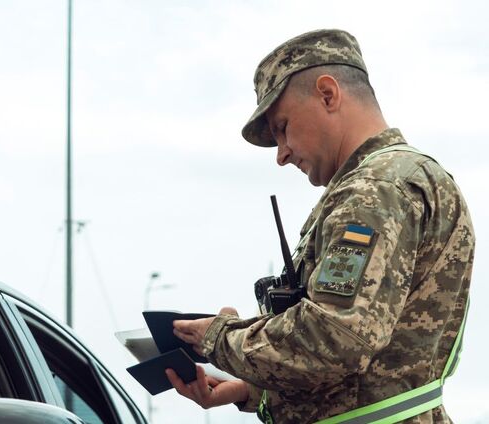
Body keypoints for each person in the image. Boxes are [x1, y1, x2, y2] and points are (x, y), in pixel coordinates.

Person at [166, 29, 475, 423]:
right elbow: (371, 362)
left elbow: (333, 338)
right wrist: (251, 388)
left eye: (282, 127)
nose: (281, 154)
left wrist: (219, 338)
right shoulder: (393, 179)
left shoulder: (377, 188)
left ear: (328, 95)